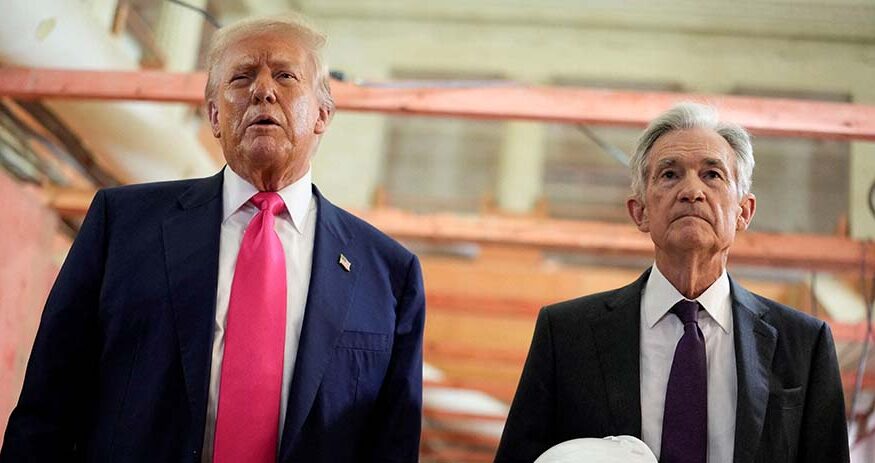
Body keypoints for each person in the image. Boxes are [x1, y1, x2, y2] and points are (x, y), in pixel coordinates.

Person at [1, 14, 424, 463]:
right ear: (215, 115)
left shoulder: (388, 275)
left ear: (322, 114)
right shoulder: (121, 226)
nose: (263, 90)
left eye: (285, 75)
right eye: (242, 77)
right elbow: (49, 402)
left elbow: (392, 445)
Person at [495, 102, 849, 463]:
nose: (691, 191)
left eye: (712, 174)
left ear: (744, 211)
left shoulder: (804, 344)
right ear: (641, 211)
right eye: (669, 175)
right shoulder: (567, 335)